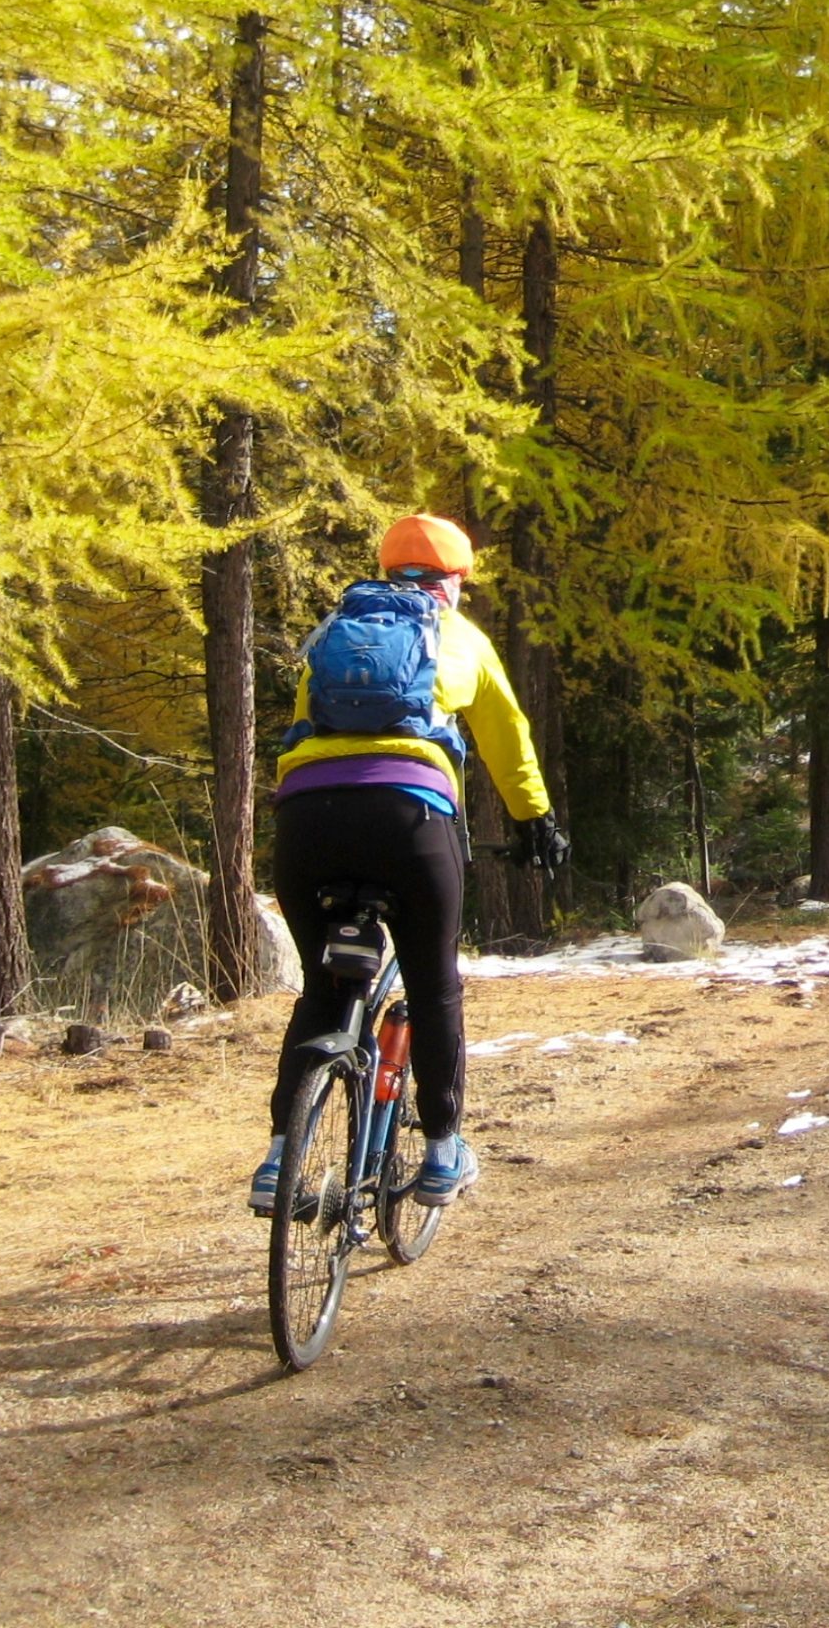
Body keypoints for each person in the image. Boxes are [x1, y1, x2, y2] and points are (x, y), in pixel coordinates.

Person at [249, 513, 567, 1214]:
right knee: (433, 985)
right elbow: (507, 738)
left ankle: (278, 1158)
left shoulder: (333, 636)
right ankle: (443, 1149)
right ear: (455, 581)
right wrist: (535, 821)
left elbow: (299, 730)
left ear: (388, 572)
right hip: (408, 819)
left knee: (323, 989)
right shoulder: (462, 637)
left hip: (307, 820)